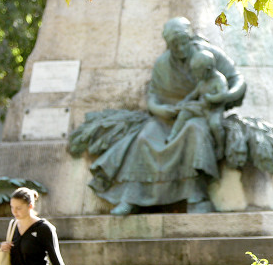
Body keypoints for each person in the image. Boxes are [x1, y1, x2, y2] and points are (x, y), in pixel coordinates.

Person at [87, 17, 245, 215]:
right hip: (169, 117)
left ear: (190, 38)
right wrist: (160, 110)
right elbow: (153, 96)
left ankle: (197, 196)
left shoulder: (207, 54)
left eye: (183, 42)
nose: (180, 48)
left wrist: (226, 96)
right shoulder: (162, 64)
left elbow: (236, 78)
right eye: (174, 44)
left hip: (201, 114)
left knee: (195, 131)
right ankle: (132, 197)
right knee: (145, 137)